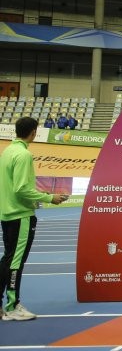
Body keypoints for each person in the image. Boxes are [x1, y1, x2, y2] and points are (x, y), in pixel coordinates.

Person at [1, 117, 69, 321]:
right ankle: (12, 306)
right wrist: (50, 198)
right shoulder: (23, 155)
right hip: (20, 215)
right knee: (15, 262)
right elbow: (21, 189)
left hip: (7, 213)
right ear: (33, 132)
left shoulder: (7, 152)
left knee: (8, 259)